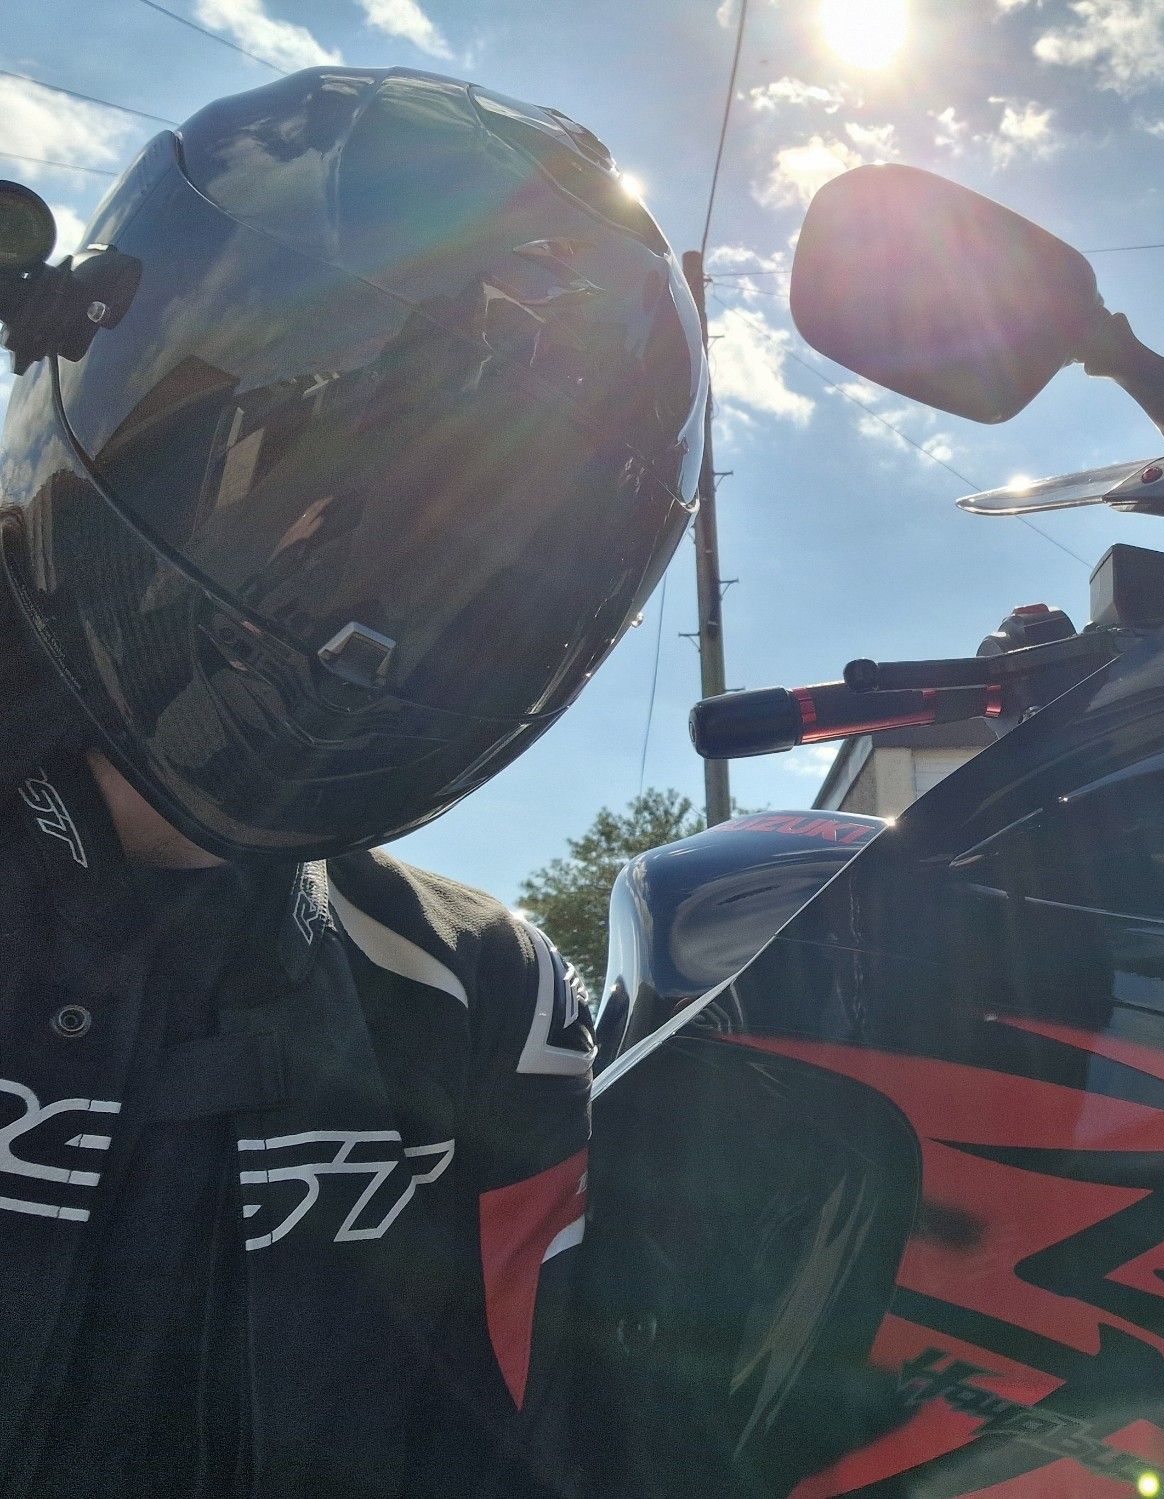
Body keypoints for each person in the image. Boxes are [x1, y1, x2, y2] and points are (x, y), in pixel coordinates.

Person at [0, 66, 705, 1497]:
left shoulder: (479, 1000)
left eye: (482, 533)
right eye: (323, 463)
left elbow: (572, 1444)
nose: (361, 571)